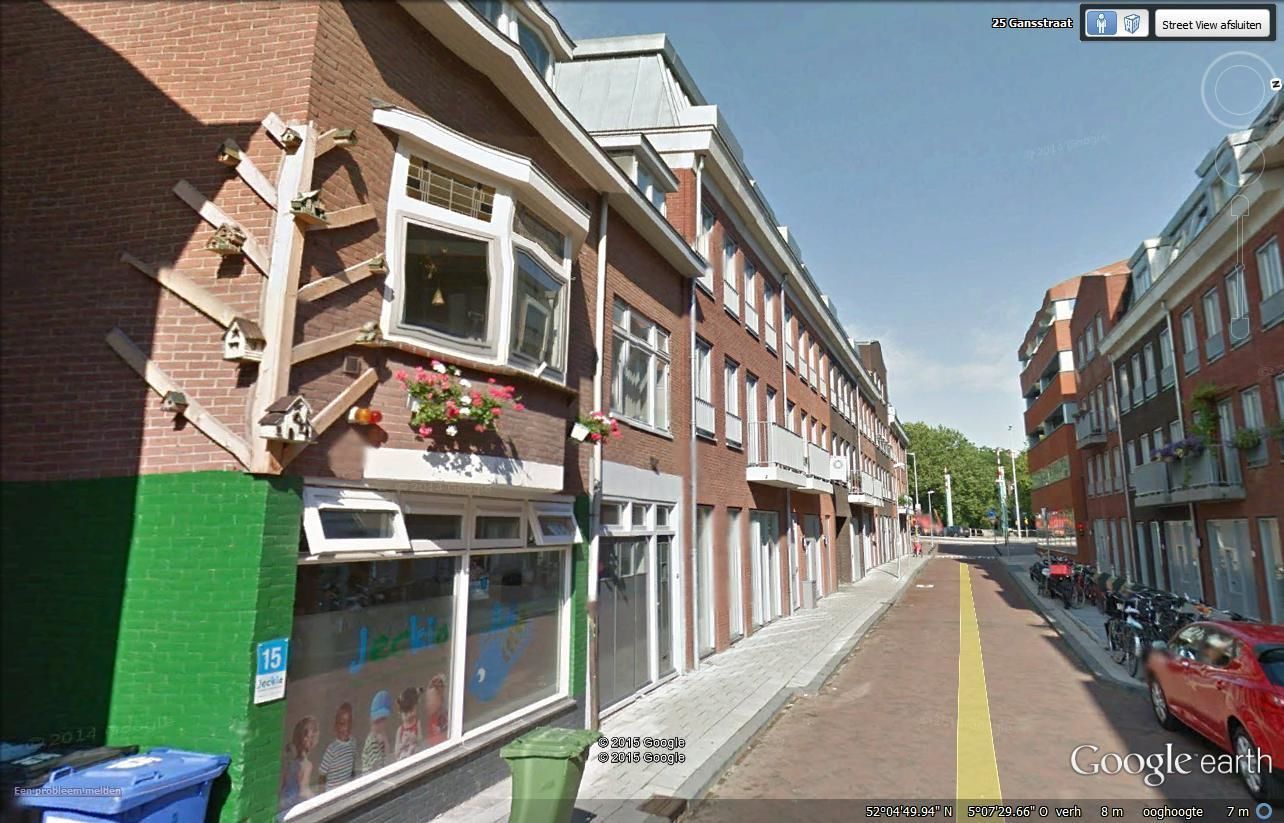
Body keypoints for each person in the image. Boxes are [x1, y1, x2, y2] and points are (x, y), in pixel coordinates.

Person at [280, 715, 319, 812]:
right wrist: (316, 799)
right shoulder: (307, 765)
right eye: (311, 737)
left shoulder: (290, 762)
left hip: (283, 801)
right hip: (293, 805)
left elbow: (284, 785)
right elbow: (303, 791)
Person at [318, 702, 356, 790]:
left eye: (349, 722)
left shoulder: (353, 743)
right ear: (336, 726)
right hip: (332, 792)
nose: (346, 727)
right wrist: (323, 794)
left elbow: (352, 766)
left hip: (346, 790)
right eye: (342, 723)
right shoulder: (332, 749)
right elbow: (322, 775)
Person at [361, 690, 392, 775]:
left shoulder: (381, 737)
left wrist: (385, 740)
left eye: (384, 720)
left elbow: (387, 755)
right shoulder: (372, 741)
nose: (382, 725)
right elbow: (377, 766)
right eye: (377, 722)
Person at [394, 687, 423, 761]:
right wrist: (403, 744)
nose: (409, 716)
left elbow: (421, 741)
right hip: (404, 758)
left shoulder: (417, 723)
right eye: (405, 713)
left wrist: (414, 738)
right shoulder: (400, 730)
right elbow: (396, 752)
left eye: (411, 711)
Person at [423, 674, 448, 747]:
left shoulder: (444, 717)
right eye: (427, 701)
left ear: (440, 699)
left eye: (430, 701)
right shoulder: (431, 720)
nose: (427, 705)